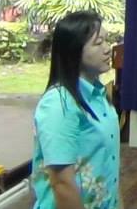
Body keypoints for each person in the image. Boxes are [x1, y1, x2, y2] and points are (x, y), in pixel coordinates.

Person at [31, 11, 120, 209]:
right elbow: (62, 184)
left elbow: (110, 165)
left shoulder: (99, 95)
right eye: (98, 43)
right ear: (74, 50)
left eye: (107, 41)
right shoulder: (58, 103)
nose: (108, 49)